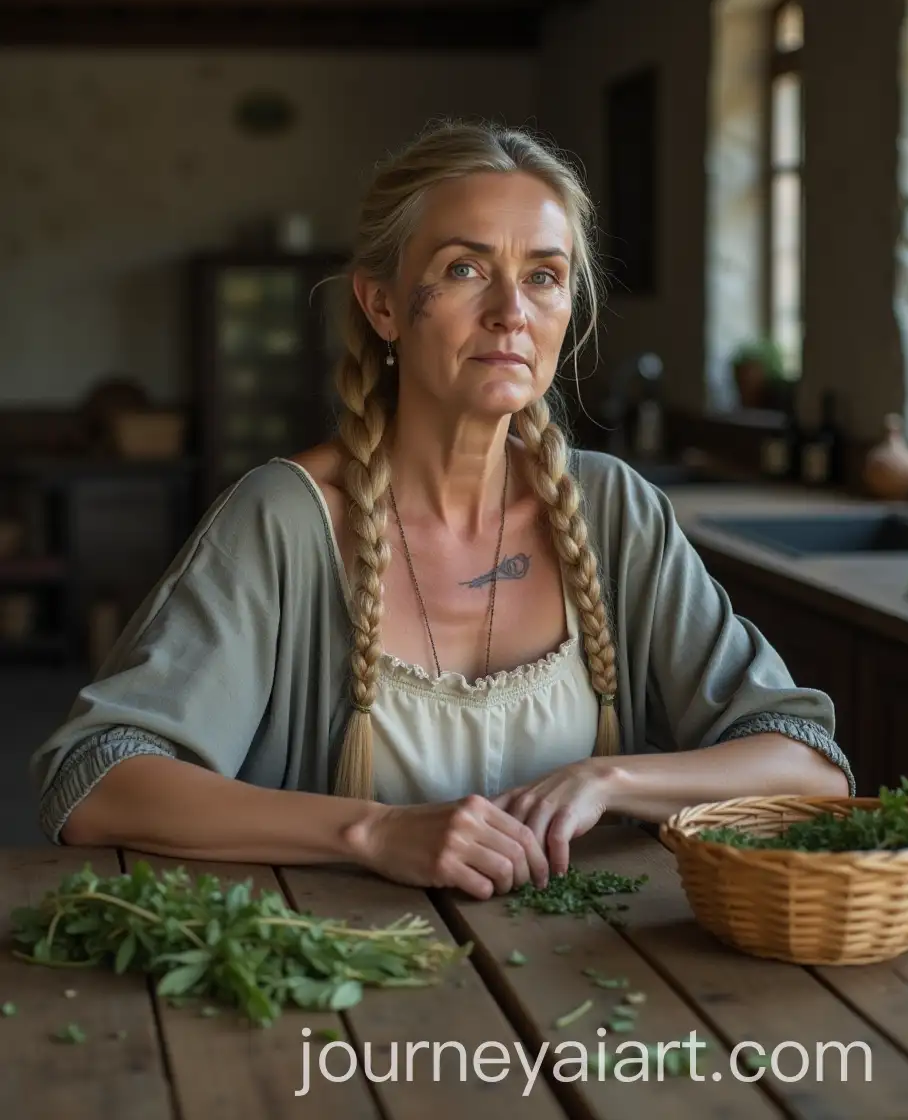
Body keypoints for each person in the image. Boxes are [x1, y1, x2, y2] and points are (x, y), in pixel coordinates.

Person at [30, 119, 853, 900]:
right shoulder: (287, 519)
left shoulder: (615, 515)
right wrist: (374, 832)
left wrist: (612, 778)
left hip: (596, 992)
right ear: (383, 305)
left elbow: (808, 762)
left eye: (543, 275)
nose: (511, 312)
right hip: (345, 1004)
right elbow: (98, 779)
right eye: (465, 269)